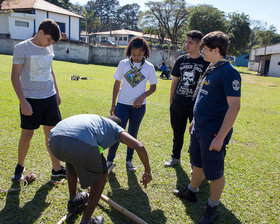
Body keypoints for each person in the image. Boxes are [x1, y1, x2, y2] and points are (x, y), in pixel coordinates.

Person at [173, 31, 241, 224]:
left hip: (213, 132)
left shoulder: (228, 72)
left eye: (204, 48)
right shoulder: (212, 68)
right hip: (199, 128)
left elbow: (234, 107)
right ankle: (192, 191)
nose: (202, 51)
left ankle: (212, 207)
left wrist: (220, 137)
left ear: (216, 50)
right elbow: (204, 98)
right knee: (197, 162)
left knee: (214, 171)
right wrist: (194, 120)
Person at [48, 114, 152, 224]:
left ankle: (73, 200)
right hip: (78, 142)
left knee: (71, 160)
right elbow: (139, 146)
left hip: (54, 141)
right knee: (102, 176)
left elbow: (92, 151)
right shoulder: (116, 128)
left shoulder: (97, 122)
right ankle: (86, 221)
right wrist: (147, 170)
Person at [11, 19, 66, 181]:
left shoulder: (48, 46)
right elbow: (15, 77)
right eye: (49, 39)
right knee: (27, 135)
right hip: (31, 100)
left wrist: (57, 92)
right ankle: (19, 167)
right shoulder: (22, 48)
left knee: (52, 134)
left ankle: (56, 169)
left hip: (49, 97)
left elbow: (50, 70)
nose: (50, 43)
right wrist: (23, 101)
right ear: (40, 32)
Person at [106, 36, 157, 171]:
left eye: (139, 55)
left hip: (139, 107)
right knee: (116, 133)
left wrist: (142, 96)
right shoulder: (123, 64)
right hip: (122, 105)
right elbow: (117, 84)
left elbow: (153, 87)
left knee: (132, 134)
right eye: (133, 54)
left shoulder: (149, 67)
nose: (136, 57)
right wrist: (113, 104)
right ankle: (109, 160)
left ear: (145, 52)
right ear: (129, 52)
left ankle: (129, 161)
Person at [164, 30, 209, 167]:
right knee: (177, 133)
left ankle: (193, 163)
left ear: (198, 44)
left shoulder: (205, 62)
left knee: (195, 135)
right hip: (179, 102)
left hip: (196, 105)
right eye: (186, 42)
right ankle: (175, 157)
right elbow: (175, 81)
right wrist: (171, 101)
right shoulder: (181, 60)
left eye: (190, 43)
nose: (187, 45)